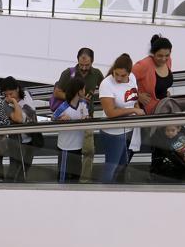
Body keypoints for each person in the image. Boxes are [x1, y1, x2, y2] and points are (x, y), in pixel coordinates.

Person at [96, 54, 145, 183]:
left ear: (129, 73)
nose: (118, 78)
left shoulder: (132, 78)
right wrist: (134, 110)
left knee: (122, 164)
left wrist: (137, 108)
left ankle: (115, 189)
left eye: (122, 75)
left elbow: (134, 98)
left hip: (129, 129)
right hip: (113, 132)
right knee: (111, 166)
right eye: (116, 74)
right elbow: (110, 112)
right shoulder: (106, 84)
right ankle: (104, 191)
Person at [53, 78, 89, 183]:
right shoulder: (63, 107)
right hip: (66, 147)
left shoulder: (83, 104)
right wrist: (60, 119)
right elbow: (53, 118)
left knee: (76, 175)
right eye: (83, 89)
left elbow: (86, 116)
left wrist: (86, 119)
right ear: (78, 91)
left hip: (78, 146)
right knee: (63, 177)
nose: (85, 92)